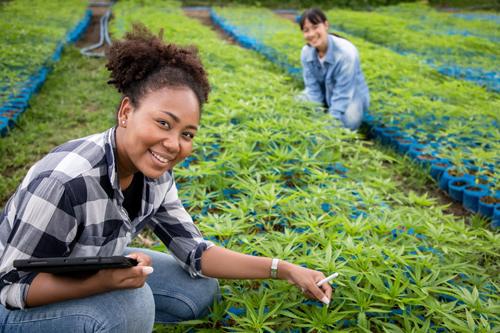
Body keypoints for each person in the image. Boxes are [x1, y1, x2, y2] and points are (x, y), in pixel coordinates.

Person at [0, 24, 332, 332]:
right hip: (13, 304)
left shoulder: (154, 174)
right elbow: (12, 285)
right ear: (126, 112)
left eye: (187, 133)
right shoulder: (66, 181)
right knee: (132, 305)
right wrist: (102, 283)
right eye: (163, 123)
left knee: (198, 289)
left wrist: (284, 269)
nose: (173, 144)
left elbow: (196, 252)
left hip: (84, 267)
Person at [299, 8, 370, 131]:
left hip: (350, 97)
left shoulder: (346, 52)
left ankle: (334, 119)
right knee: (298, 103)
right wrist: (316, 117)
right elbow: (312, 89)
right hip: (325, 96)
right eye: (306, 30)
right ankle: (326, 113)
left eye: (315, 27)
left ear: (326, 25)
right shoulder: (306, 52)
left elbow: (343, 95)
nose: (311, 34)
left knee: (349, 120)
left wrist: (328, 126)